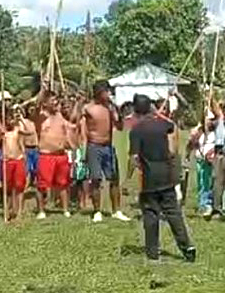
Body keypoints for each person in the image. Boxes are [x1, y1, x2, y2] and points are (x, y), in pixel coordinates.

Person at [129, 94, 196, 263]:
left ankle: (152, 251)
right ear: (150, 108)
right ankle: (187, 247)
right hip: (166, 174)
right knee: (173, 212)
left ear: (136, 111)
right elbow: (171, 128)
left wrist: (132, 174)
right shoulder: (163, 124)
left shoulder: (136, 130)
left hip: (149, 177)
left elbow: (134, 157)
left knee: (151, 213)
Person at [80, 81, 129, 223]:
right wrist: (84, 148)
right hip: (94, 146)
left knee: (114, 178)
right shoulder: (88, 108)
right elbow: (83, 128)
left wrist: (117, 111)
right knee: (95, 179)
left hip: (108, 146)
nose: (108, 94)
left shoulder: (110, 108)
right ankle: (97, 211)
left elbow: (119, 127)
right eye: (105, 91)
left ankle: (117, 210)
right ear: (98, 92)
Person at [34, 93, 73, 219]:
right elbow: (36, 108)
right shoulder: (41, 117)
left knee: (63, 184)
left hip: (61, 155)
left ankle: (65, 209)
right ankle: (41, 210)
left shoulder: (60, 115)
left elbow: (72, 124)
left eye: (56, 100)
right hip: (46, 156)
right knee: (42, 185)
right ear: (45, 103)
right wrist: (42, 94)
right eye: (52, 101)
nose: (55, 103)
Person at [186, 111, 217, 217]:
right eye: (207, 120)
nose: (208, 122)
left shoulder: (216, 133)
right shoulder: (199, 132)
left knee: (210, 183)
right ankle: (202, 204)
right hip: (200, 161)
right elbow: (190, 145)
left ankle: (210, 203)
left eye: (210, 120)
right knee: (201, 183)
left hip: (211, 161)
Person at [2, 112, 28, 220]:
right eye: (8, 119)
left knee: (19, 186)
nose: (10, 122)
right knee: (8, 188)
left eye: (12, 119)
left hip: (18, 159)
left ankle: (19, 211)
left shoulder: (17, 130)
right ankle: (9, 210)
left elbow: (28, 132)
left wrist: (21, 120)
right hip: (7, 161)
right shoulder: (3, 133)